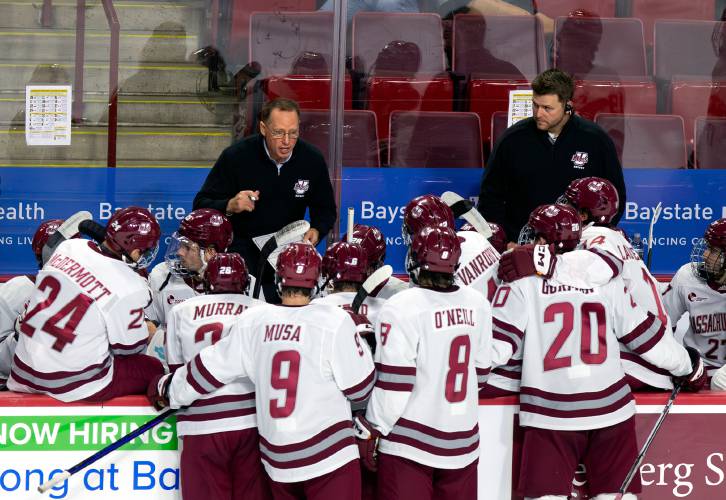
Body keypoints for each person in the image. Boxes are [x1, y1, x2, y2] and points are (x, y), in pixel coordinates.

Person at [489, 203, 705, 500]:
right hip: (611, 408)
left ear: (543, 242)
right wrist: (687, 366)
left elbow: (496, 350)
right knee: (618, 496)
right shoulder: (607, 280)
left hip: (551, 412)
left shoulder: (521, 279)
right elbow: (645, 338)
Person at [151, 242, 375, 500]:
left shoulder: (254, 321)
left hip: (278, 462)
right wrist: (362, 345)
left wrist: (169, 390)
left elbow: (208, 369)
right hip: (329, 457)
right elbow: (361, 389)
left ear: (279, 279)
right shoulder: (335, 322)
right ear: (317, 280)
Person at [355, 225, 492, 500]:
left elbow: (396, 384)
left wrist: (374, 428)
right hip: (462, 441)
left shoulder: (402, 305)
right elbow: (481, 374)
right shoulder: (478, 303)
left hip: (410, 444)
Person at [8, 207, 165, 402]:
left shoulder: (69, 248)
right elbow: (128, 349)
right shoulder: (132, 287)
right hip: (70, 384)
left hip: (22, 371)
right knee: (152, 367)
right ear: (134, 252)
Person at [193, 98, 337, 303]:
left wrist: (317, 230)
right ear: (263, 128)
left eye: (293, 133)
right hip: (242, 260)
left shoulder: (312, 159)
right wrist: (230, 205)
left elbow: (326, 210)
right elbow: (200, 204)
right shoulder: (236, 157)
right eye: (278, 133)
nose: (286, 141)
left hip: (288, 260)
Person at [157, 252, 270, 500]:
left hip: (201, 424)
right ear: (245, 281)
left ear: (206, 280)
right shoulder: (264, 311)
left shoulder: (180, 311)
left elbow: (178, 373)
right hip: (252, 422)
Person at [477, 68, 626, 246]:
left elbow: (615, 198)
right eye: (535, 105)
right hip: (520, 247)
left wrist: (592, 242)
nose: (538, 113)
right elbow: (490, 198)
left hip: (577, 251)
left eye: (547, 108)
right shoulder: (512, 140)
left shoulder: (596, 140)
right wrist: (505, 241)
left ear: (568, 106)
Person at [558, 176, 675, 391]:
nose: (562, 208)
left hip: (639, 359)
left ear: (584, 214)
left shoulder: (593, 236)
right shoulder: (617, 239)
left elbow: (600, 268)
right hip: (656, 352)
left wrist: (541, 263)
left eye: (569, 204)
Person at [146, 208, 234, 364]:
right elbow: (149, 325)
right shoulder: (161, 275)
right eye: (180, 244)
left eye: (187, 247)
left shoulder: (243, 282)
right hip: (170, 366)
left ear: (210, 252)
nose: (179, 252)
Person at [0, 219, 66, 385]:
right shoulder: (17, 290)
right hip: (24, 389)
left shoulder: (90, 292)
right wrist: (19, 333)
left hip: (71, 386)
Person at [663, 218, 726, 388]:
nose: (705, 255)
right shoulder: (687, 277)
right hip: (696, 369)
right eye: (707, 248)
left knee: (721, 381)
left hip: (723, 377)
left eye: (713, 251)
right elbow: (663, 325)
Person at [344, 223, 409, 299]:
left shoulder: (401, 293)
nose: (353, 274)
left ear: (379, 262)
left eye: (362, 267)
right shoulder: (330, 290)